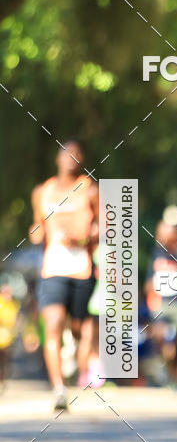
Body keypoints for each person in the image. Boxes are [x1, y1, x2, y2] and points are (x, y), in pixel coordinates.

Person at [29, 139, 98, 410]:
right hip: (53, 269)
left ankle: (73, 345)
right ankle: (59, 389)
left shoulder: (89, 190)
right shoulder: (42, 191)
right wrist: (36, 233)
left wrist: (82, 239)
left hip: (81, 270)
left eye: (76, 155)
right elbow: (38, 226)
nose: (71, 158)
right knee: (53, 323)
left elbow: (105, 228)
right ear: (58, 158)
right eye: (67, 154)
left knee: (78, 328)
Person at [145, 219, 177, 388]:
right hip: (160, 303)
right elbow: (149, 281)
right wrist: (151, 295)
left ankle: (175, 372)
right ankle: (162, 367)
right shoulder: (156, 253)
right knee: (160, 336)